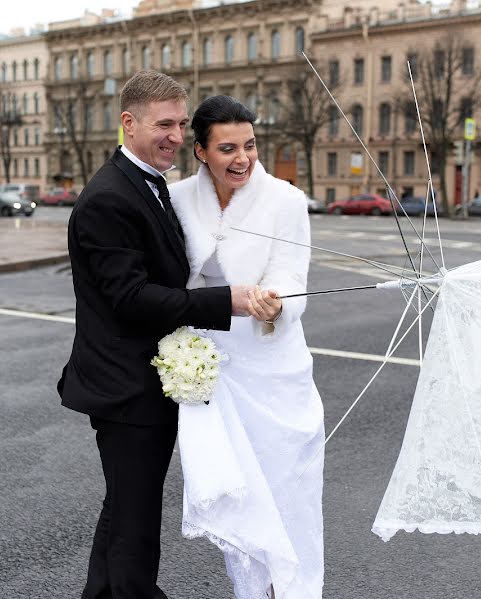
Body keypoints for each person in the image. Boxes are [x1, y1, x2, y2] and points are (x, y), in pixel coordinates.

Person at [57, 71, 254, 599]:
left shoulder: (148, 184)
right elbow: (131, 298)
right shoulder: (108, 198)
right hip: (125, 386)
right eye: (163, 124)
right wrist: (225, 299)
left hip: (140, 380)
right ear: (129, 123)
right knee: (136, 520)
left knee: (125, 504)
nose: (174, 135)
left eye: (180, 123)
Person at [169, 95, 325, 599]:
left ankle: (294, 591)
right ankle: (251, 591)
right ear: (201, 152)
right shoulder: (176, 200)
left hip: (273, 370)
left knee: (287, 492)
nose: (243, 158)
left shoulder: (285, 200)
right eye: (228, 148)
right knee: (239, 497)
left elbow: (290, 274)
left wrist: (277, 305)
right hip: (212, 370)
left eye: (251, 145)